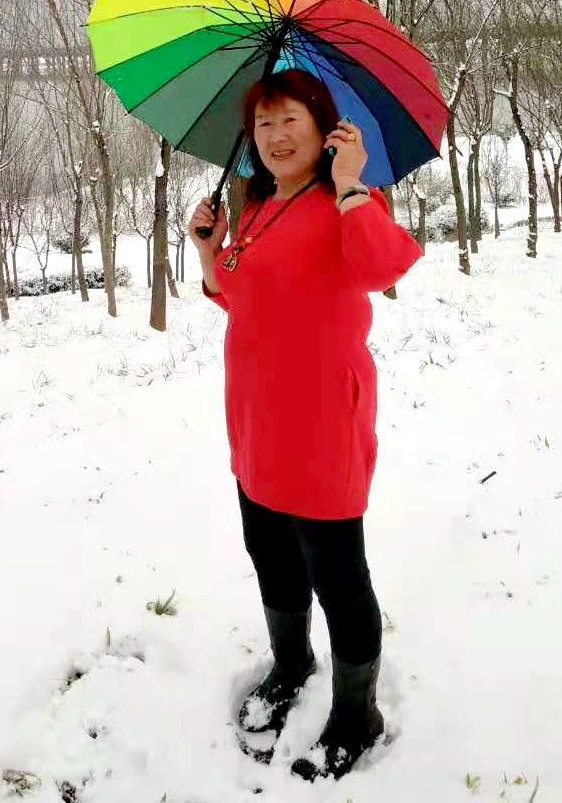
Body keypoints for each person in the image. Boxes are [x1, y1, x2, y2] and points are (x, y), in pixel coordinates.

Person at [187, 69, 423, 781]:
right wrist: (209, 249)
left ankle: (356, 714)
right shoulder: (259, 205)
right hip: (255, 422)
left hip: (322, 426)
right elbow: (240, 295)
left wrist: (351, 183)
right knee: (272, 556)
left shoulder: (349, 201)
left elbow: (385, 268)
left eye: (290, 118)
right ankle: (291, 665)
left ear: (325, 130)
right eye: (263, 123)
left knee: (339, 579)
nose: (275, 135)